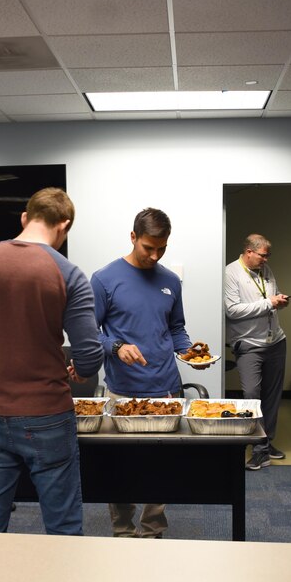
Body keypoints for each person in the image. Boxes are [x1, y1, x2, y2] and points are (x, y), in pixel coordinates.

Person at [0, 188, 102, 535]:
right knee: (63, 526)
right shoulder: (68, 274)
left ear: (25, 219)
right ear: (64, 226)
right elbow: (89, 355)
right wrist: (80, 372)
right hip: (48, 416)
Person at [91, 207, 198, 538]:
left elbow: (176, 328)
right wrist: (116, 346)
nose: (154, 255)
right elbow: (88, 331)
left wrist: (190, 351)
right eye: (148, 247)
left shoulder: (170, 280)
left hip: (166, 388)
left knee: (160, 468)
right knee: (120, 468)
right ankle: (122, 532)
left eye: (161, 248)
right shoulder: (104, 279)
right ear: (133, 237)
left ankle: (152, 531)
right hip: (122, 391)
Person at [225, 234, 290, 470]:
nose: (265, 259)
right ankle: (259, 449)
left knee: (272, 397)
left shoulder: (266, 270)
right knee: (252, 396)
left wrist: (279, 300)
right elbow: (232, 310)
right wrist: (269, 303)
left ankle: (266, 442)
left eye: (267, 256)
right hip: (248, 344)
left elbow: (268, 296)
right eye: (262, 255)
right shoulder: (231, 273)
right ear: (248, 252)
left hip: (276, 342)